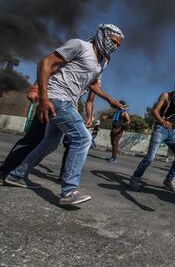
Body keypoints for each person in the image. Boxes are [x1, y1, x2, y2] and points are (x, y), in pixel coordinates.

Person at [4, 24, 124, 206]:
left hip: (70, 102)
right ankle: (69, 191)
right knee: (82, 138)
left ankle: (16, 175)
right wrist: (42, 95)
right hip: (57, 97)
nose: (114, 46)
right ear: (101, 35)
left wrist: (109, 99)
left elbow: (91, 83)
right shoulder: (79, 45)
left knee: (51, 142)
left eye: (118, 45)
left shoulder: (103, 61)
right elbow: (46, 63)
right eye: (112, 41)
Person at [0, 83, 97, 184]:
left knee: (58, 143)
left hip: (68, 108)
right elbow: (48, 68)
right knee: (33, 138)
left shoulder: (98, 73)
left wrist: (89, 116)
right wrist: (35, 88)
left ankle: (63, 176)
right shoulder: (88, 68)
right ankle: (5, 172)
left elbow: (91, 97)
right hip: (52, 102)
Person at [129, 79, 175, 193]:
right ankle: (135, 178)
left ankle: (169, 179)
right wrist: (162, 121)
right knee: (150, 157)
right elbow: (154, 111)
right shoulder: (166, 96)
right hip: (160, 129)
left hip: (172, 132)